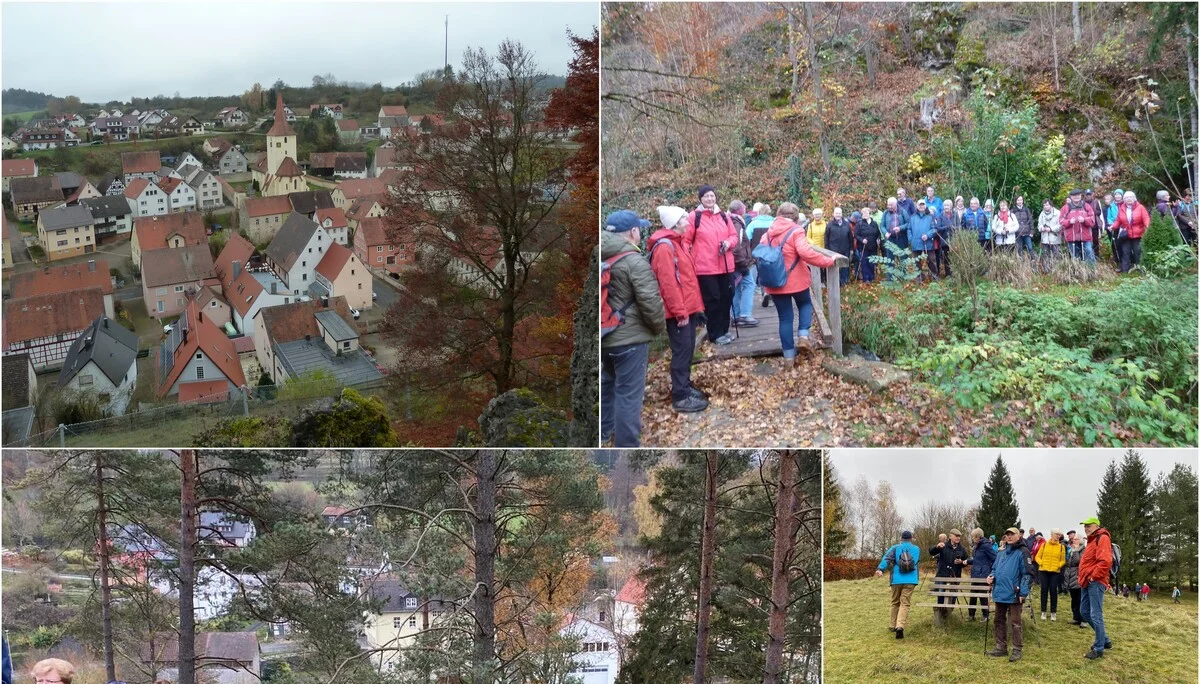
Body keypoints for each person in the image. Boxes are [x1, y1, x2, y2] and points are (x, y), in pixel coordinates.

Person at [601, 210, 665, 447]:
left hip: (604, 336)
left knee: (607, 386)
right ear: (633, 232)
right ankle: (627, 444)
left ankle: (604, 432)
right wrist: (657, 329)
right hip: (630, 340)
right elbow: (650, 302)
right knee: (628, 395)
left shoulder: (600, 256)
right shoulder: (634, 261)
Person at [650, 206, 709, 414]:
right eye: (684, 217)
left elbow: (687, 280)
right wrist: (680, 312)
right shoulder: (665, 248)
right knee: (682, 351)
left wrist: (696, 309)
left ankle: (684, 386)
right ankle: (680, 396)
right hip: (678, 312)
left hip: (688, 308)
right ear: (675, 223)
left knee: (687, 348)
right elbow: (668, 284)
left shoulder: (677, 243)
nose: (688, 219)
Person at [760, 204, 836, 362]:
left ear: (778, 215)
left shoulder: (768, 233)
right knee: (805, 304)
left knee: (785, 318)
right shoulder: (796, 231)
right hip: (796, 280)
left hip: (775, 282)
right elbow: (806, 252)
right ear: (795, 217)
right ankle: (803, 336)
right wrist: (828, 261)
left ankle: (788, 358)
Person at [685, 185, 739, 345]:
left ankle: (724, 330)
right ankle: (715, 334)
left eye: (712, 196)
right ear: (700, 199)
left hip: (725, 264)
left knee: (727, 297)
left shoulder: (723, 215)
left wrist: (728, 243)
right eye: (706, 196)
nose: (710, 199)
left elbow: (734, 236)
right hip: (705, 268)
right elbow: (686, 240)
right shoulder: (694, 217)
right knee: (713, 300)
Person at [986, 527, 1032, 662]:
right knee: (998, 620)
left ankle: (1017, 649)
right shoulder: (1001, 553)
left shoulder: (1023, 552)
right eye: (1007, 535)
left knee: (1015, 623)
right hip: (999, 592)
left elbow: (1027, 574)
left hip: (1014, 593)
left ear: (1019, 536)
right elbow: (994, 569)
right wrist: (991, 577)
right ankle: (1001, 647)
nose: (1009, 537)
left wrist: (1023, 592)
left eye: (1012, 534)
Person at [1078, 515, 1114, 659]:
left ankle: (1099, 648)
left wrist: (1093, 576)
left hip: (1095, 581)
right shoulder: (1092, 541)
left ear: (1096, 526)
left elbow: (1105, 561)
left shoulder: (1102, 538)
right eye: (1085, 526)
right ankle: (1105, 640)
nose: (1086, 528)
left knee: (1095, 614)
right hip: (1086, 581)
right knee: (1084, 611)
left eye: (1089, 525)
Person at [875, 529, 921, 639]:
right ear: (911, 538)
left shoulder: (895, 548)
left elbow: (887, 559)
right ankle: (900, 626)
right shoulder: (916, 549)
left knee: (895, 602)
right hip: (910, 580)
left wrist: (880, 569)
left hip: (896, 579)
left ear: (901, 539)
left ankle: (892, 625)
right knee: (905, 603)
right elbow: (916, 561)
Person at [729, 200, 760, 329]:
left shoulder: (730, 221)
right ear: (740, 210)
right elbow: (736, 246)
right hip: (739, 263)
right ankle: (745, 315)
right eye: (744, 208)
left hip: (733, 263)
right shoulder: (737, 224)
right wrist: (742, 265)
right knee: (749, 284)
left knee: (736, 288)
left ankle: (736, 316)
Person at [745, 205, 775, 314]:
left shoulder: (753, 224)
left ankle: (759, 294)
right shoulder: (774, 223)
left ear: (759, 212)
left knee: (757, 275)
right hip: (771, 252)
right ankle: (769, 292)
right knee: (770, 273)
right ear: (769, 212)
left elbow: (746, 238)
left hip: (756, 253)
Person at [1111, 189, 1150, 273]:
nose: (1129, 199)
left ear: (1134, 198)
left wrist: (1147, 225)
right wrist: (1113, 226)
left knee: (1138, 252)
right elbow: (1118, 220)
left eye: (1131, 197)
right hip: (1126, 234)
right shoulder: (1122, 208)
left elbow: (1146, 218)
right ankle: (1125, 271)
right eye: (1127, 198)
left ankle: (1141, 270)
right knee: (1125, 252)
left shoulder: (1140, 207)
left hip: (1138, 234)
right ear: (1124, 200)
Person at [930, 528, 968, 606]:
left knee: (953, 595)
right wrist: (937, 547)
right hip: (943, 574)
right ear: (950, 536)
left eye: (959, 536)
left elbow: (966, 561)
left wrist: (961, 562)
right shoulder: (943, 546)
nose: (958, 538)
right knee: (941, 594)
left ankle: (949, 612)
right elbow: (931, 552)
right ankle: (940, 611)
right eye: (956, 536)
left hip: (955, 575)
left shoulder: (962, 549)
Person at [1035, 528, 1066, 621]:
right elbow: (1037, 557)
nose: (1058, 536)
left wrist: (1058, 566)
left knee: (1053, 591)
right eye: (1056, 534)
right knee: (1044, 590)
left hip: (1055, 572)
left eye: (1059, 534)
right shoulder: (1044, 545)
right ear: (1052, 534)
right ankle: (1043, 611)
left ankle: (1053, 612)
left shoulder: (1061, 547)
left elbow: (1063, 560)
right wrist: (1041, 563)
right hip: (1044, 571)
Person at [966, 527, 996, 621]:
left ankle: (985, 616)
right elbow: (976, 560)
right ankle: (971, 615)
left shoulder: (986, 545)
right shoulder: (975, 546)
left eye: (973, 537)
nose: (973, 539)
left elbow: (995, 558)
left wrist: (990, 570)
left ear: (978, 537)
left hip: (983, 574)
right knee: (973, 595)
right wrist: (967, 561)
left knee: (983, 595)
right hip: (975, 573)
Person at [1060, 189, 1096, 263]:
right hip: (1071, 237)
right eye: (1074, 195)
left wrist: (1084, 220)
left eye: (1078, 195)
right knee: (1075, 257)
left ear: (1081, 196)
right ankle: (1077, 272)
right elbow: (1061, 221)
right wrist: (1069, 221)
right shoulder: (1065, 208)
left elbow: (1092, 220)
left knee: (1089, 253)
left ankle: (1091, 272)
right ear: (1071, 197)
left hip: (1085, 236)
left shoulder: (1086, 206)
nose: (1076, 197)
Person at [908, 199, 937, 279]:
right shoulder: (912, 217)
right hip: (915, 243)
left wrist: (928, 235)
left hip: (927, 243)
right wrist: (911, 239)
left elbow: (934, 229)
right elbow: (909, 229)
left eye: (923, 204)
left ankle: (934, 275)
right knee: (916, 261)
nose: (921, 206)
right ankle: (919, 276)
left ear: (925, 206)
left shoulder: (930, 217)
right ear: (917, 206)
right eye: (919, 205)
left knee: (931, 260)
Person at [880, 197, 909, 277]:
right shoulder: (885, 213)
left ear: (896, 204)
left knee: (902, 258)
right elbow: (882, 225)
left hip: (901, 238)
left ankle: (902, 276)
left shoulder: (903, 212)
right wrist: (885, 233)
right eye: (888, 205)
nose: (889, 206)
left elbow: (908, 224)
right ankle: (890, 278)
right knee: (889, 259)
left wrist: (900, 228)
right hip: (890, 239)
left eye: (891, 205)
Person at [825, 207, 853, 285]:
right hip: (833, 250)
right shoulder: (829, 224)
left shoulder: (847, 224)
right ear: (833, 214)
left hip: (845, 249)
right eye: (836, 213)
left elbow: (850, 237)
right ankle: (835, 282)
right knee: (835, 267)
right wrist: (827, 250)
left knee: (844, 267)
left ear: (842, 214)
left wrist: (851, 249)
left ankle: (843, 282)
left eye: (839, 213)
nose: (838, 215)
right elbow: (826, 238)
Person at [854, 209, 881, 283]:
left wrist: (878, 239)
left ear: (870, 214)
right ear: (862, 215)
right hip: (863, 247)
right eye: (863, 213)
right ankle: (866, 278)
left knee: (872, 262)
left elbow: (878, 234)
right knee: (864, 262)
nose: (865, 214)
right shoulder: (859, 224)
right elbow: (856, 235)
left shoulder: (874, 223)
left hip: (873, 247)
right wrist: (862, 240)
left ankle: (872, 277)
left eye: (867, 213)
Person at [1065, 534, 1086, 626]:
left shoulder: (1083, 550)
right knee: (1074, 599)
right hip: (1071, 576)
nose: (1074, 540)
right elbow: (1068, 562)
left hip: (1079, 576)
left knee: (1080, 599)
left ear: (1081, 541)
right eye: (1074, 539)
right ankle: (1076, 617)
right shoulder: (1071, 549)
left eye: (1076, 539)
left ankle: (1083, 620)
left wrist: (1076, 551)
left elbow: (1078, 561)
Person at [931, 201, 956, 278]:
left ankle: (955, 274)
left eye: (948, 205)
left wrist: (953, 228)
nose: (946, 207)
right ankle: (948, 274)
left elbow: (959, 226)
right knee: (947, 258)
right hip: (944, 240)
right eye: (945, 205)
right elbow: (938, 228)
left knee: (954, 258)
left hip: (954, 240)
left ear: (951, 206)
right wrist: (947, 227)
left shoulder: (955, 215)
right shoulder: (940, 216)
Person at [1107, 189, 1124, 265]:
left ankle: (1129, 261)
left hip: (1124, 227)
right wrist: (1111, 224)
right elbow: (1109, 217)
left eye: (1119, 194)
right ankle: (1119, 262)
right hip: (1115, 227)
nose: (1117, 196)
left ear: (1122, 195)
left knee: (1126, 244)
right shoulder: (1111, 206)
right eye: (1116, 194)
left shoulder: (1126, 204)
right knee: (1117, 245)